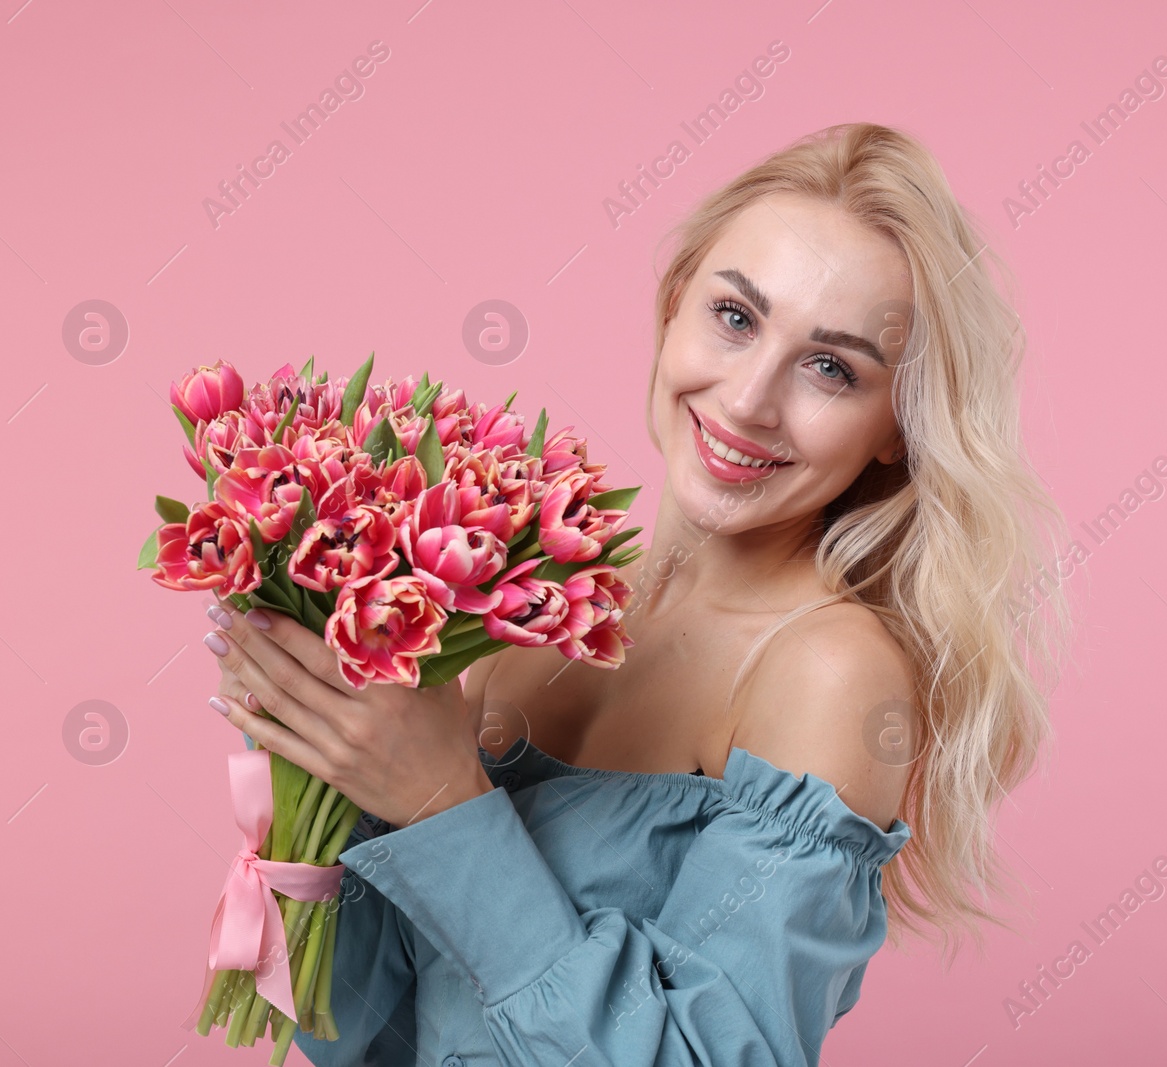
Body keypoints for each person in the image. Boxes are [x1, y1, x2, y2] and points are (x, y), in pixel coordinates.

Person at [203, 121, 1073, 1066]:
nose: (747, 400)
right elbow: (366, 1033)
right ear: (671, 307)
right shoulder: (525, 607)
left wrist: (443, 805)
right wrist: (315, 748)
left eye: (831, 368)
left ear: (894, 429)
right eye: (735, 318)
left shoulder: (826, 671)